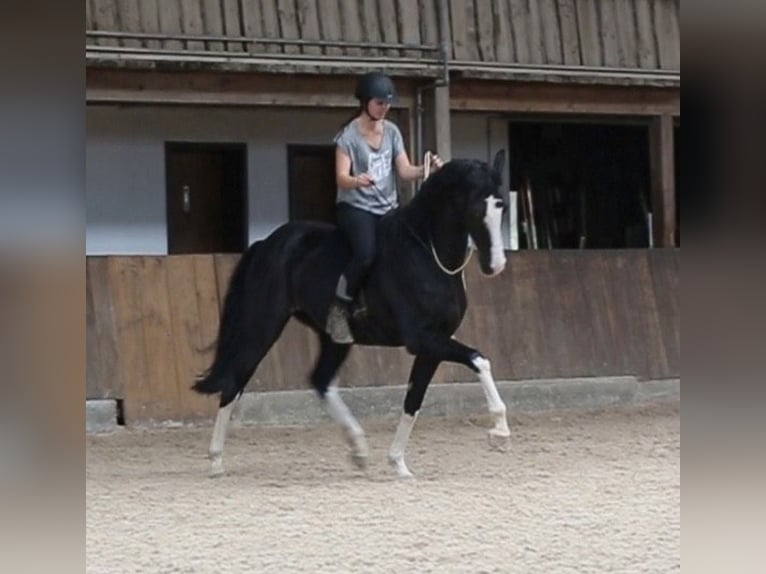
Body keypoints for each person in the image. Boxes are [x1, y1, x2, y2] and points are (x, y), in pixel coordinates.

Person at [326, 71, 443, 343]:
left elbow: (404, 171)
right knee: (366, 254)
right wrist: (357, 181)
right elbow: (340, 177)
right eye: (380, 103)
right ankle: (339, 307)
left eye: (388, 103)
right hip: (356, 208)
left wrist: (427, 171)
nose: (385, 107)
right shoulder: (347, 137)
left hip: (387, 207)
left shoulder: (391, 132)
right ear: (366, 102)